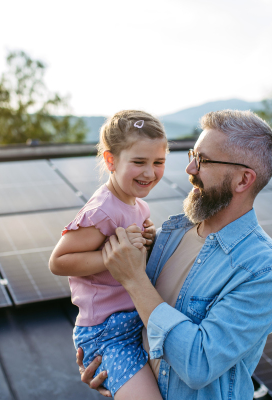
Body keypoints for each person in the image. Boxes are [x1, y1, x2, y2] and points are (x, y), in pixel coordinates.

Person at [78, 110, 272, 399]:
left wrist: (133, 278)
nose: (190, 168)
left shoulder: (264, 270)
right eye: (193, 155)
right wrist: (112, 366)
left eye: (203, 160)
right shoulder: (171, 233)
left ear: (243, 180)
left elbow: (198, 365)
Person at [49, 110, 167, 400]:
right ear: (111, 160)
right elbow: (58, 262)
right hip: (108, 334)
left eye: (158, 162)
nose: (149, 172)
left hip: (136, 319)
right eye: (138, 162)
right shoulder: (102, 211)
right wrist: (112, 256)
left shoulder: (138, 207)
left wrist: (146, 240)